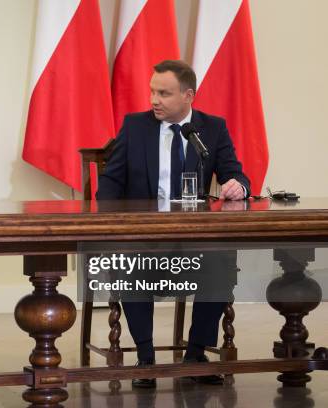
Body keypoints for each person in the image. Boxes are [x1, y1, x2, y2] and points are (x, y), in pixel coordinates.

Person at [97, 60, 250, 388]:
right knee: (129, 261)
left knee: (220, 260)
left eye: (164, 93)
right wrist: (112, 228)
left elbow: (234, 172)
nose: (154, 100)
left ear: (188, 96)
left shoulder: (212, 128)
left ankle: (195, 355)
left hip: (192, 238)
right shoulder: (135, 126)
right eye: (152, 91)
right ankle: (146, 357)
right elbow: (110, 183)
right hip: (144, 237)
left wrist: (238, 184)